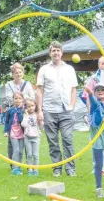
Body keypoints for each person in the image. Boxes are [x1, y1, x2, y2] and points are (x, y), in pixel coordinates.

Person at [36, 41, 78, 177]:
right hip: (49, 110)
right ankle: (57, 168)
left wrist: (71, 106)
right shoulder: (44, 69)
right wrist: (40, 111)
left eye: (58, 50)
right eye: (53, 51)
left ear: (61, 53)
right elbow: (39, 91)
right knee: (53, 141)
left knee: (67, 139)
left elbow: (73, 90)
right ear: (50, 53)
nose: (56, 53)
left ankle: (70, 168)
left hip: (66, 110)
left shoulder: (69, 69)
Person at [4, 62, 35, 168]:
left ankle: (28, 164)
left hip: (25, 113)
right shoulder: (9, 84)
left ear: (23, 73)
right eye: (16, 72)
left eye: (20, 72)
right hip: (13, 113)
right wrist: (18, 101)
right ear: (13, 74)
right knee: (12, 140)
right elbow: (9, 98)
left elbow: (32, 98)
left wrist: (23, 102)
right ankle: (13, 164)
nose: (18, 74)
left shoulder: (27, 84)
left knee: (26, 137)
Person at [4, 92, 25, 175]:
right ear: (13, 100)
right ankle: (14, 168)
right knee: (15, 150)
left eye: (19, 98)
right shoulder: (10, 110)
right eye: (16, 98)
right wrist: (6, 131)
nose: (17, 100)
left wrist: (19, 110)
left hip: (22, 133)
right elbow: (6, 121)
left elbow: (21, 120)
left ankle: (19, 167)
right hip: (13, 132)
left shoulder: (24, 110)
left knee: (20, 151)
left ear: (22, 99)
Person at [21, 98, 42, 176]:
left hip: (36, 137)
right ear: (26, 107)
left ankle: (36, 169)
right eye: (28, 106)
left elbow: (41, 127)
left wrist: (40, 121)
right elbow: (23, 125)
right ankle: (30, 169)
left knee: (35, 155)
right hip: (27, 137)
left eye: (32, 106)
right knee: (29, 154)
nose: (31, 108)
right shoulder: (25, 115)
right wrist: (26, 116)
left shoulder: (37, 115)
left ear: (35, 106)